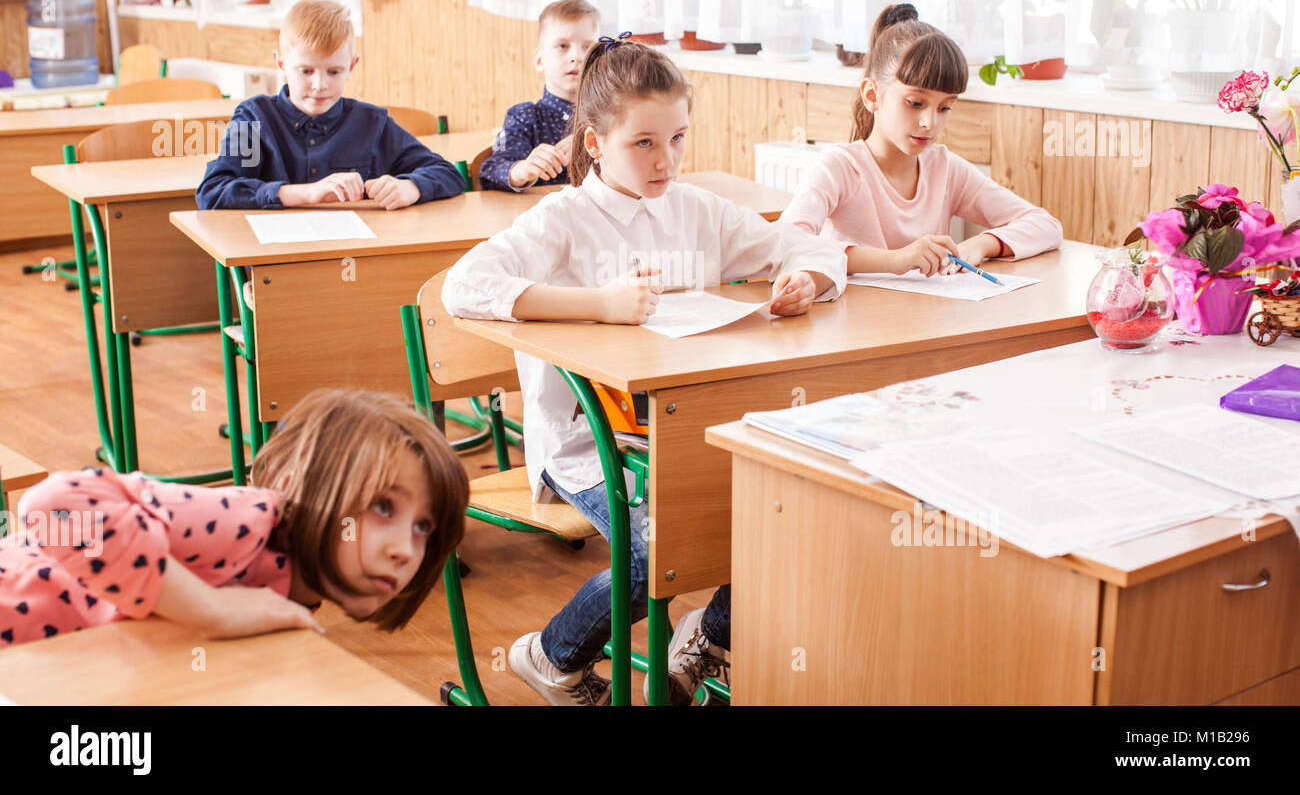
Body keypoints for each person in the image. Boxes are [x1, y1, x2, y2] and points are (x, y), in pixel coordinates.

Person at [442, 35, 846, 704]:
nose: (667, 160)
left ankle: (709, 636)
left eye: (678, 139)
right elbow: (465, 286)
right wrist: (598, 305)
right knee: (660, 546)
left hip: (688, 434)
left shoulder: (696, 210)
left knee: (784, 506)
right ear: (595, 143)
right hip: (589, 448)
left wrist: (805, 277)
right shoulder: (564, 219)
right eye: (645, 144)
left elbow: (808, 247)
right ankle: (551, 654)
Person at [0, 389, 468, 647]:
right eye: (383, 507)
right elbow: (52, 508)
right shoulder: (246, 521)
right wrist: (210, 609)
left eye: (422, 527)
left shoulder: (292, 591)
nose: (405, 550)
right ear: (304, 486)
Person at [782, 3, 1062, 276]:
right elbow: (785, 243)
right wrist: (893, 260)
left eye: (944, 108)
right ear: (872, 95)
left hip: (924, 320)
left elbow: (1046, 225)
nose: (930, 123)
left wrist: (983, 244)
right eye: (915, 103)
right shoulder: (840, 167)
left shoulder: (945, 168)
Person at [197, 0, 464, 210]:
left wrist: (411, 187)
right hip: (273, 263)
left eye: (334, 72)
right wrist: (306, 193)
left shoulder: (371, 123)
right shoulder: (255, 119)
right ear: (280, 64)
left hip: (355, 256)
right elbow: (214, 191)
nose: (319, 84)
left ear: (352, 66)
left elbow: (448, 174)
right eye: (305, 71)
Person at [477, 0, 600, 191]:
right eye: (562, 46)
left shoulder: (610, 116)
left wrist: (598, 141)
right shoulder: (524, 116)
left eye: (587, 46)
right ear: (540, 60)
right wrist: (523, 169)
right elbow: (491, 171)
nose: (577, 57)